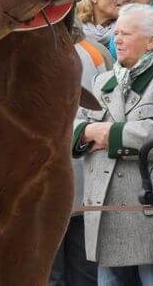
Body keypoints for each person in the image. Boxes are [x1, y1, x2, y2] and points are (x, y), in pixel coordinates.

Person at [73, 4, 153, 286]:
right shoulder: (101, 81)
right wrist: (89, 131)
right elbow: (71, 130)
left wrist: (104, 134)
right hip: (106, 215)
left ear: (151, 41)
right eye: (116, 32)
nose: (117, 39)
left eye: (126, 34)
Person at [49, 18, 105, 286]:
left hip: (55, 186)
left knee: (52, 275)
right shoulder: (94, 51)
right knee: (82, 275)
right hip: (83, 184)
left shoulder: (91, 52)